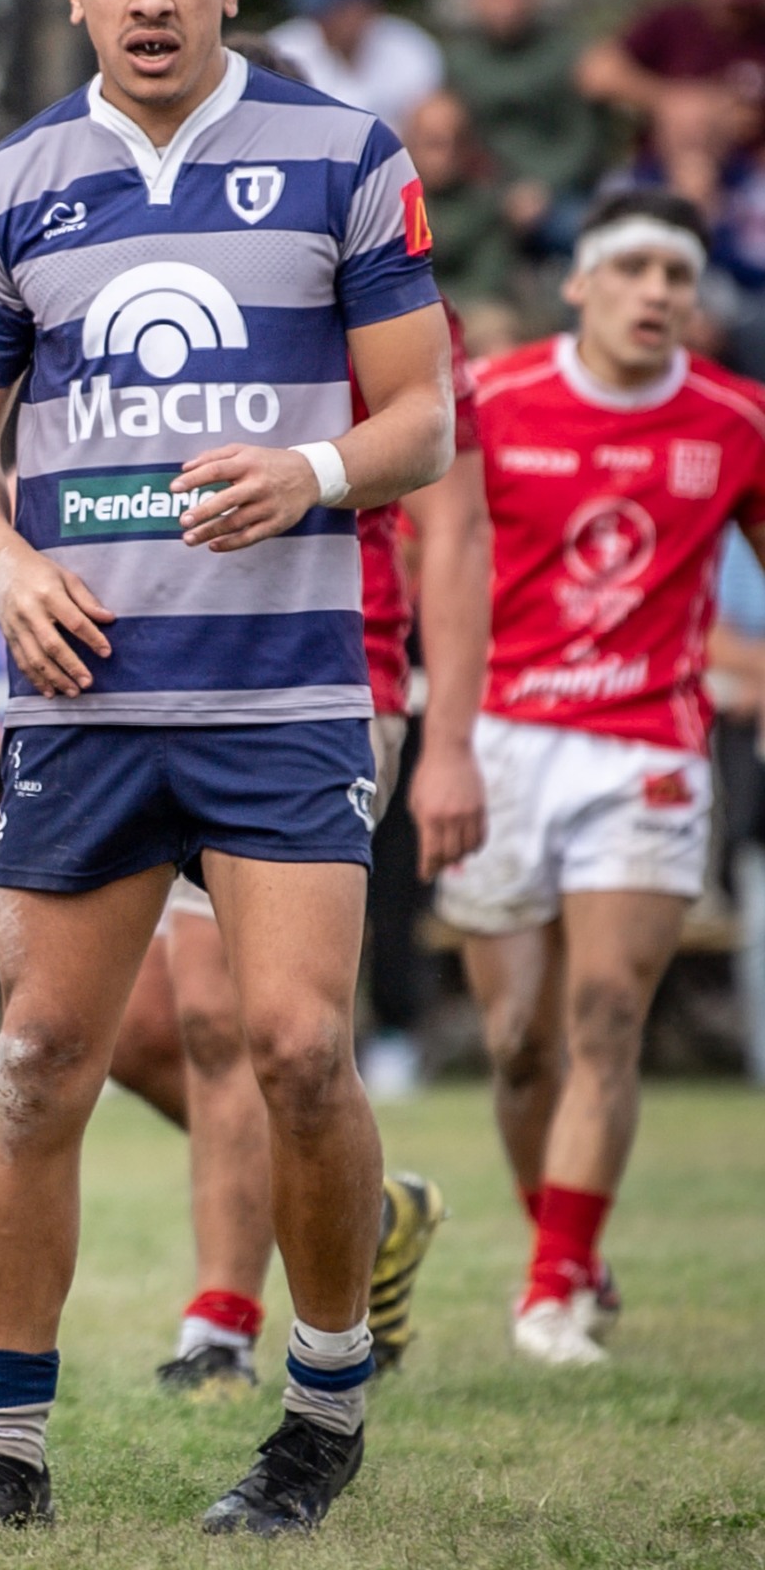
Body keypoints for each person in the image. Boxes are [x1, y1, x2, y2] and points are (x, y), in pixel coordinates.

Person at [0, 0, 451, 1537]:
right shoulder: (8, 185)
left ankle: (313, 1410)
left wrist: (307, 470)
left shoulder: (341, 156)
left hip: (283, 694)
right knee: (39, 1063)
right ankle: (5, 1456)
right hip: (83, 699)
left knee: (296, 1050)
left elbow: (418, 423)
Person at [114, 301, 490, 1396]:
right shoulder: (148, 258)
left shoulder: (383, 288)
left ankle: (220, 1329)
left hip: (323, 674)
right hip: (160, 667)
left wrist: (448, 738)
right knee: (143, 1030)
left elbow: (454, 525)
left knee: (229, 1019)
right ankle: (362, 1205)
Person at [435, 189, 765, 1366]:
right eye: (628, 268)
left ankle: (550, 1286)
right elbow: (449, 563)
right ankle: (563, 1241)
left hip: (648, 747)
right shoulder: (494, 401)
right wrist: (442, 747)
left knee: (605, 1012)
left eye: (674, 275)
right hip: (501, 743)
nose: (654, 293)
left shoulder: (735, 419)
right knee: (519, 1039)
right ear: (577, 284)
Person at [443, 0, 607, 259]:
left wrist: (544, 188)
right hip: (488, 197)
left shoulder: (568, 52)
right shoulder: (458, 63)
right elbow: (461, 145)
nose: (507, 0)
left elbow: (585, 140)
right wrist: (501, 192)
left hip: (563, 194)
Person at [578, 0, 765, 133]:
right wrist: (673, 101)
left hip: (749, 161)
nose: (734, 4)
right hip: (662, 160)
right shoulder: (672, 21)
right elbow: (597, 73)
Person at [270, 0, 445, 132]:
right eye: (319, 14)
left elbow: (428, 125)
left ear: (365, 9)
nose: (323, 24)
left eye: (333, 13)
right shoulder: (284, 48)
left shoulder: (409, 49)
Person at [404, 90, 516, 313]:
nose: (446, 155)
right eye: (434, 144)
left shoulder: (484, 204)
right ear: (410, 143)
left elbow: (487, 282)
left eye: (456, 143)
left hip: (468, 313)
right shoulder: (388, 204)